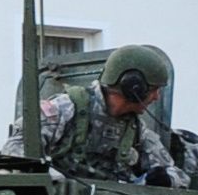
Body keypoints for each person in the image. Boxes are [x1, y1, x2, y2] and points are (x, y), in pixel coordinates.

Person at [42, 45, 182, 183]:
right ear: (134, 88)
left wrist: (165, 179)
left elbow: (176, 174)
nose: (157, 97)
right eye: (154, 90)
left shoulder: (136, 129)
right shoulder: (65, 108)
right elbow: (28, 157)